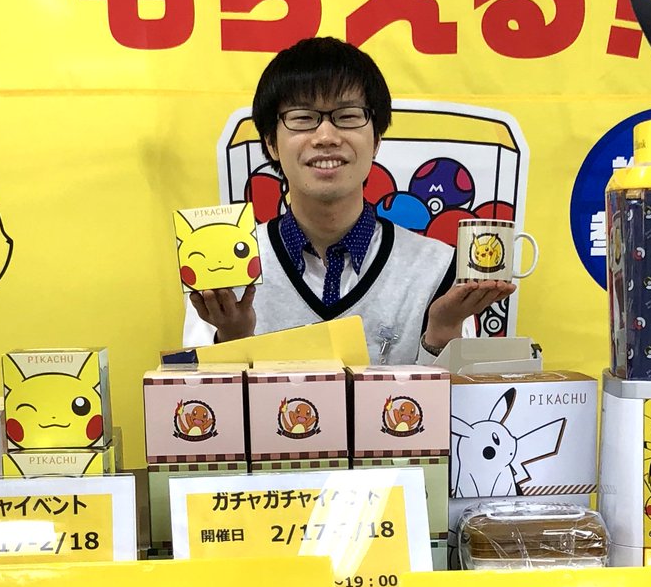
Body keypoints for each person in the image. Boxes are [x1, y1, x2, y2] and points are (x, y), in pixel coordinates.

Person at [184, 37, 513, 364]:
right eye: (302, 117)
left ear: (376, 140)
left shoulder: (439, 270)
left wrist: (442, 334)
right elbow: (192, 396)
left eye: (348, 115)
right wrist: (233, 340)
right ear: (271, 143)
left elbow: (462, 397)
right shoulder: (224, 268)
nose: (326, 137)